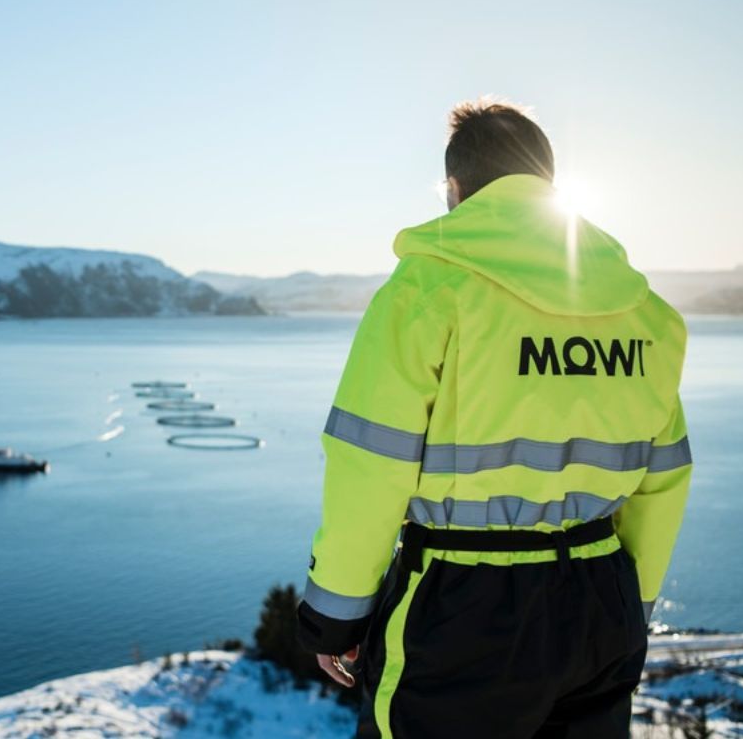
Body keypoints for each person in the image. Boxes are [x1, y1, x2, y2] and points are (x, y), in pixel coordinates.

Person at [294, 99, 692, 738]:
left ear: (455, 189)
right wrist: (630, 605)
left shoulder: (426, 292)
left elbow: (371, 464)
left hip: (462, 606)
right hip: (600, 601)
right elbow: (664, 480)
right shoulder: (647, 315)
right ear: (550, 184)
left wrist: (337, 614)